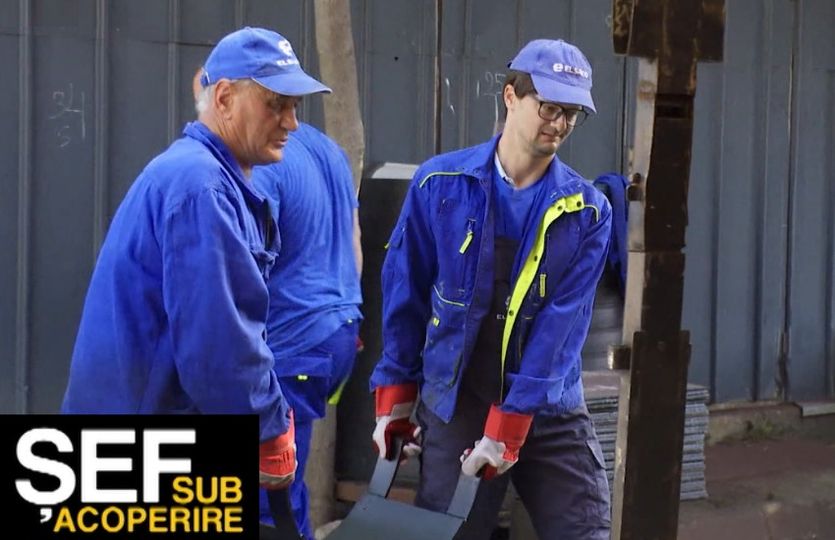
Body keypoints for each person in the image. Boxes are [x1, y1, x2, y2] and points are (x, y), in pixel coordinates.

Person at [61, 26, 331, 493]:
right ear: (224, 98)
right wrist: (267, 427)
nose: (291, 123)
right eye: (275, 104)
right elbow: (218, 343)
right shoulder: (201, 187)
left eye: (295, 106)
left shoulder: (210, 178)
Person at [370, 39, 613, 539]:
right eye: (549, 107)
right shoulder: (440, 185)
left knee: (585, 530)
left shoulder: (587, 211)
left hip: (547, 402)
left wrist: (512, 423)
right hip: (458, 397)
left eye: (571, 114)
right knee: (450, 531)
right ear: (510, 97)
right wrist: (395, 396)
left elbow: (559, 329)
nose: (559, 124)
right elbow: (405, 294)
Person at [250, 123, 363, 538]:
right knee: (283, 481)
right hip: (336, 330)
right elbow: (354, 239)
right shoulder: (327, 149)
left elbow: (247, 267)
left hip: (292, 341)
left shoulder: (261, 162)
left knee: (268, 495)